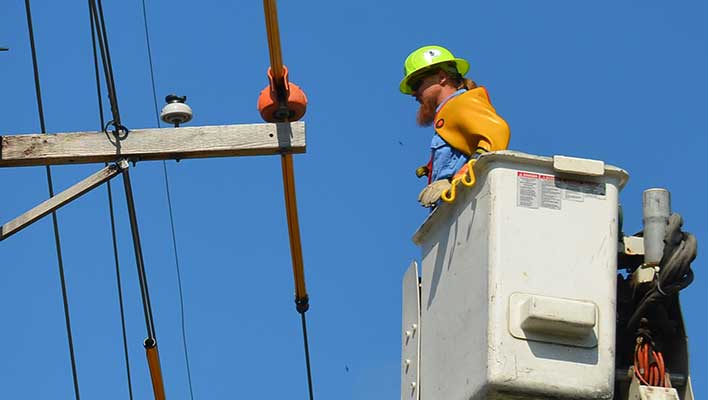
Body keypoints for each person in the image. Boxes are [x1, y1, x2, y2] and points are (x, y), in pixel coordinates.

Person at [400, 45, 510, 207]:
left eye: (417, 84)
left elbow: (498, 132)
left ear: (442, 77)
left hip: (466, 205)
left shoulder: (460, 103)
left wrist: (458, 178)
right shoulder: (449, 110)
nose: (413, 93)